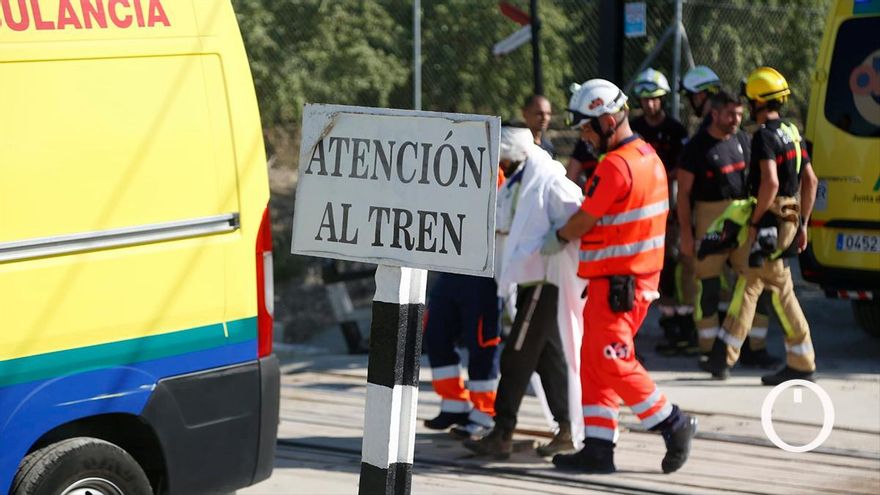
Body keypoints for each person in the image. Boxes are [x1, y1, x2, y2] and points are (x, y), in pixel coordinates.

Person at [545, 79, 697, 474]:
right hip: (627, 281)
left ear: (608, 120)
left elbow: (584, 219)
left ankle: (673, 423)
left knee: (613, 359)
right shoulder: (648, 156)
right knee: (594, 360)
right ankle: (598, 446)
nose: (584, 136)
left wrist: (559, 236)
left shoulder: (615, 166)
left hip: (619, 284)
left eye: (587, 127)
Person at [464, 126, 584, 459]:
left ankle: (502, 432)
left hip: (548, 282)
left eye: (504, 160)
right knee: (548, 359)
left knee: (516, 355)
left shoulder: (549, 182)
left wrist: (558, 238)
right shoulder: (519, 183)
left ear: (518, 156)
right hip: (533, 281)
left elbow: (580, 216)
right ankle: (567, 429)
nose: (500, 166)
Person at [705, 67, 818, 385]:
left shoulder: (765, 136)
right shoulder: (793, 132)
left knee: (764, 284)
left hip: (770, 219)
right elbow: (810, 180)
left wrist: (755, 222)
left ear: (756, 101)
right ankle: (727, 355)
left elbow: (768, 181)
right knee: (759, 284)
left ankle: (794, 361)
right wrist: (804, 224)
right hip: (791, 217)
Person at [677, 90, 780, 377]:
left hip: (742, 219)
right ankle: (709, 350)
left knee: (755, 283)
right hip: (709, 221)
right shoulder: (696, 148)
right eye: (730, 114)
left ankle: (754, 348)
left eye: (738, 114)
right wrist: (686, 234)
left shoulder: (744, 140)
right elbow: (683, 195)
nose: (736, 119)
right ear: (715, 114)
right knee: (708, 288)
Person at [630, 68, 695, 356]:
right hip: (638, 210)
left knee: (673, 263)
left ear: (663, 99)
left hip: (669, 208)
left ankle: (682, 323)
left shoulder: (675, 130)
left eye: (655, 99)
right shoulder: (633, 128)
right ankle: (667, 321)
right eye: (645, 99)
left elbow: (682, 170)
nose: (650, 104)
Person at [423, 272, 501, 438]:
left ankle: (485, 411)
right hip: (451, 268)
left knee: (482, 343)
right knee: (435, 335)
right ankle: (454, 404)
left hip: (485, 273)